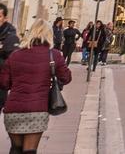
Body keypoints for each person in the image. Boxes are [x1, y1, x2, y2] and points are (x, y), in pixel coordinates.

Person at [0, 19, 72, 153]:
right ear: (50, 34)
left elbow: (4, 83)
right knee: (29, 151)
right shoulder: (54, 55)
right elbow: (66, 78)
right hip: (37, 111)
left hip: (13, 110)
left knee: (16, 149)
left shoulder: (15, 55)